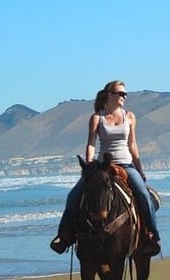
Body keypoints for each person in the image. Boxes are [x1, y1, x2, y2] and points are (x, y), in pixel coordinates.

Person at [50, 80, 161, 256]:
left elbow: (132, 145)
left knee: (143, 194)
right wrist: (89, 166)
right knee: (73, 196)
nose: (124, 97)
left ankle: (151, 235)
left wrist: (139, 169)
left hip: (125, 164)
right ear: (110, 95)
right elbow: (91, 145)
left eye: (125, 94)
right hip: (102, 167)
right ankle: (64, 236)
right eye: (120, 93)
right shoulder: (97, 118)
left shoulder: (129, 117)